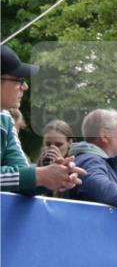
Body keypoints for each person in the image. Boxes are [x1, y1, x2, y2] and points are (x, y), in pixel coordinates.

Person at [1, 45, 84, 194]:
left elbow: (21, 174)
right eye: (19, 80)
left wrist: (55, 177)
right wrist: (40, 175)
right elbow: (26, 176)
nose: (25, 87)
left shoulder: (5, 118)